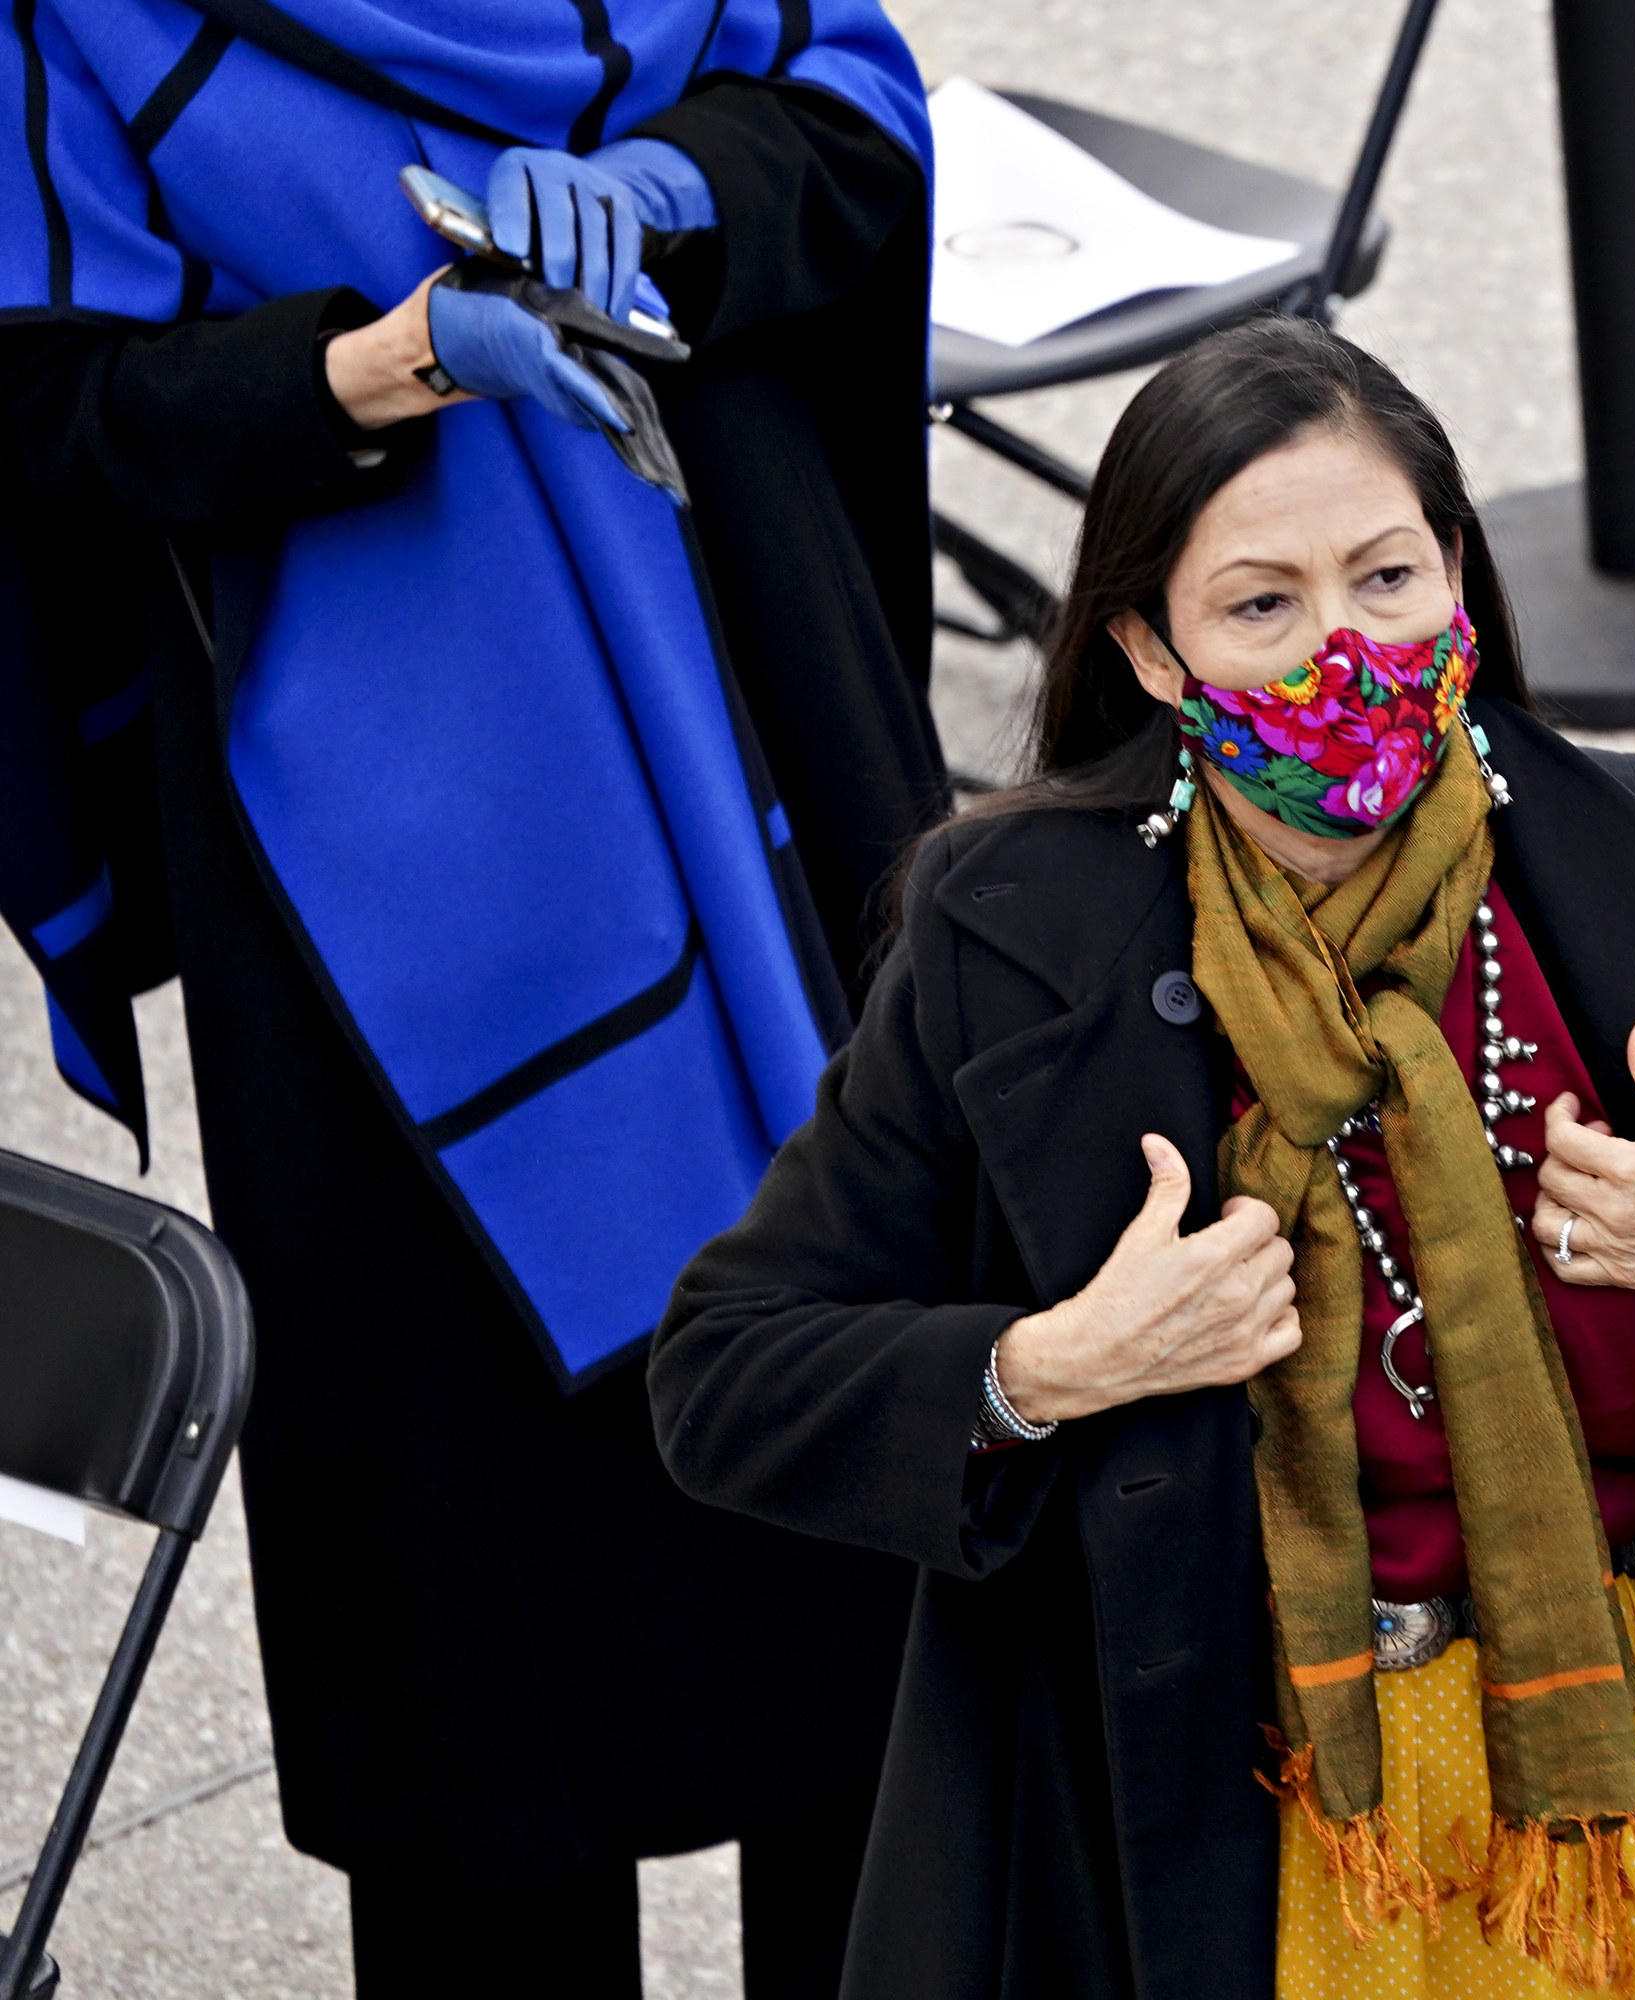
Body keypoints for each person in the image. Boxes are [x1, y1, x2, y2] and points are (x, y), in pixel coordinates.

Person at [646, 315, 1635, 2000]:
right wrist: (1049, 1367)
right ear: (1149, 650)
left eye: (1387, 578)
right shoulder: (1004, 936)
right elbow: (727, 1371)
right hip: (1222, 1798)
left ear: (1463, 587)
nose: (1342, 648)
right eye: (1261, 605)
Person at [0, 5, 945, 1992]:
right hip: (372, 927)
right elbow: (51, 410)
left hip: (771, 729)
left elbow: (850, 125)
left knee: (882, 1627)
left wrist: (670, 193)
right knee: (478, 1696)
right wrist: (390, 357)